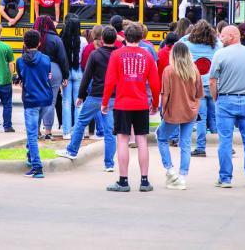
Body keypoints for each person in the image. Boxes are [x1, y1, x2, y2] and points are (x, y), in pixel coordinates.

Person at [102, 23, 160, 192]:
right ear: (142, 38)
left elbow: (110, 81)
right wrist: (155, 104)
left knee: (123, 140)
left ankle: (123, 180)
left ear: (124, 37)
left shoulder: (116, 55)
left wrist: (105, 102)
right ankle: (144, 181)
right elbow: (155, 84)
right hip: (141, 103)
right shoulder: (147, 55)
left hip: (122, 103)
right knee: (142, 140)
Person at [56, 26, 119, 171]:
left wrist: (80, 95)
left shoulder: (95, 55)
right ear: (115, 39)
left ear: (102, 39)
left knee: (81, 123)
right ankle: (109, 164)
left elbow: (86, 77)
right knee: (110, 131)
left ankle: (72, 151)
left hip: (96, 95)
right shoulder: (118, 54)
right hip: (112, 97)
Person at [210, 25, 245, 188]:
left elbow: (212, 80)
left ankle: (225, 178)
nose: (221, 38)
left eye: (223, 36)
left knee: (225, 141)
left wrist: (216, 98)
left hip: (226, 99)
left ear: (233, 35)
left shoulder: (220, 54)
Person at [156, 43, 203, 190]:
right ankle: (182, 176)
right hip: (191, 111)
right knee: (186, 143)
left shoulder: (169, 71)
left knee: (161, 137)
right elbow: (199, 93)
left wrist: (162, 111)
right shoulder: (194, 71)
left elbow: (165, 95)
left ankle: (170, 170)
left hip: (173, 111)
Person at [181, 20, 222, 156]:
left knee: (201, 118)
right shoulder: (217, 46)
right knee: (220, 117)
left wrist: (189, 35)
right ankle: (225, 145)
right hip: (215, 84)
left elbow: (179, 42)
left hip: (197, 86)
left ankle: (200, 147)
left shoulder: (187, 45)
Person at [16, 30, 53, 179]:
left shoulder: (20, 61)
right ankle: (30, 156)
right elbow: (47, 75)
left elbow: (21, 78)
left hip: (30, 100)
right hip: (45, 99)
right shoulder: (46, 59)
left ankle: (37, 167)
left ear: (24, 43)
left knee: (31, 134)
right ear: (39, 43)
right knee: (35, 128)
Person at [33, 16, 69, 140]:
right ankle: (48, 132)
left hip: (36, 70)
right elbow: (63, 59)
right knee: (51, 102)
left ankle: (36, 130)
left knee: (36, 101)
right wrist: (65, 75)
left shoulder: (33, 37)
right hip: (54, 69)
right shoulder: (56, 39)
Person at [60, 14, 88, 139]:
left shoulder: (62, 40)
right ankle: (78, 132)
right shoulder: (83, 40)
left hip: (66, 72)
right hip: (79, 72)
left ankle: (66, 132)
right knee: (78, 102)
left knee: (66, 102)